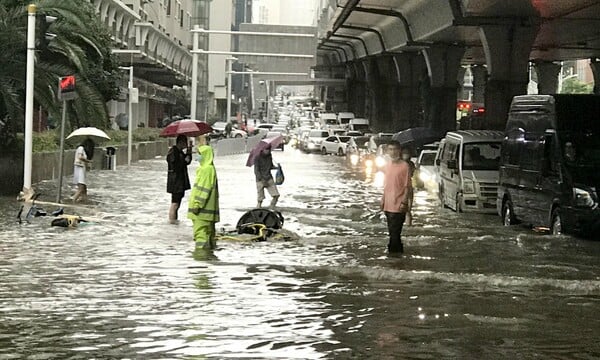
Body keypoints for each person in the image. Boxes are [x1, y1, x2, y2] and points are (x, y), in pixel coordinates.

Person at [381, 141, 412, 254]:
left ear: (399, 151)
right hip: (388, 204)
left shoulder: (405, 166)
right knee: (392, 233)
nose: (393, 152)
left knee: (395, 233)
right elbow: (386, 185)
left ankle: (393, 256)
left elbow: (407, 186)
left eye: (395, 149)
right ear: (387, 151)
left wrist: (405, 201)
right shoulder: (387, 166)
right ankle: (397, 259)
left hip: (399, 204)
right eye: (390, 149)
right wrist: (383, 199)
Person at [188, 144, 220, 250]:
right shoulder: (210, 169)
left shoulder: (206, 170)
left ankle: (200, 258)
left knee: (200, 235)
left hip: (201, 212)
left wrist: (197, 204)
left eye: (199, 154)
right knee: (209, 235)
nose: (197, 156)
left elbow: (203, 189)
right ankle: (209, 256)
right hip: (209, 212)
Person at [166, 134, 192, 224]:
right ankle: (172, 222)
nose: (186, 145)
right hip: (176, 182)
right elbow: (176, 166)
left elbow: (187, 162)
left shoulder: (180, 152)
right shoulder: (173, 152)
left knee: (177, 203)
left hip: (180, 182)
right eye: (185, 143)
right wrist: (184, 160)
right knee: (175, 203)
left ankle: (174, 221)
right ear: (181, 142)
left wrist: (189, 152)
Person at [254, 144, 280, 209]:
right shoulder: (257, 157)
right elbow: (256, 170)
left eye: (268, 150)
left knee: (276, 195)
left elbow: (270, 166)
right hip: (260, 179)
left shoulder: (269, 156)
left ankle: (272, 206)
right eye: (266, 149)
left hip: (269, 178)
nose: (267, 151)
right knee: (260, 197)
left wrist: (277, 167)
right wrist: (262, 179)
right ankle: (258, 207)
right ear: (262, 149)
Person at [71, 138, 94, 202]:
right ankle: (74, 200)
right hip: (79, 170)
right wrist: (89, 161)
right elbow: (80, 157)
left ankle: (84, 200)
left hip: (81, 169)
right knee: (81, 188)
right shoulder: (81, 148)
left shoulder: (83, 150)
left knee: (84, 188)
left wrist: (87, 165)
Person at [402, 148, 416, 226]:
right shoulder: (399, 164)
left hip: (408, 187)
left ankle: (408, 225)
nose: (406, 155)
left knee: (408, 210)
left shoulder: (411, 164)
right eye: (404, 154)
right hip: (402, 188)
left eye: (407, 154)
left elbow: (412, 174)